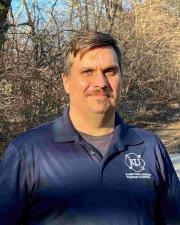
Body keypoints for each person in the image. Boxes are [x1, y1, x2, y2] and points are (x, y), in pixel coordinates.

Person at [0, 31, 179, 225]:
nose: (101, 83)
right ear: (66, 81)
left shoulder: (150, 148)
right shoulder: (28, 153)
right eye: (88, 72)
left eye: (110, 71)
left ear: (121, 80)